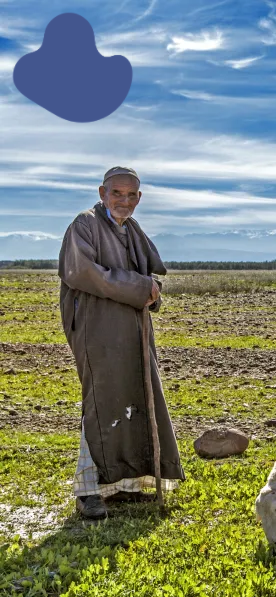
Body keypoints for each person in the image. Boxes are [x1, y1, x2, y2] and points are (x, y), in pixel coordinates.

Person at [58, 166, 184, 519]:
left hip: (133, 328)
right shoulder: (84, 225)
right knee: (103, 399)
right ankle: (88, 491)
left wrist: (153, 293)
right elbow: (82, 273)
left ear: (139, 198)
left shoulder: (132, 229)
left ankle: (126, 484)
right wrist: (141, 289)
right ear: (102, 193)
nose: (124, 201)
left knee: (135, 394)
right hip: (97, 328)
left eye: (131, 195)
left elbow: (150, 277)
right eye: (117, 193)